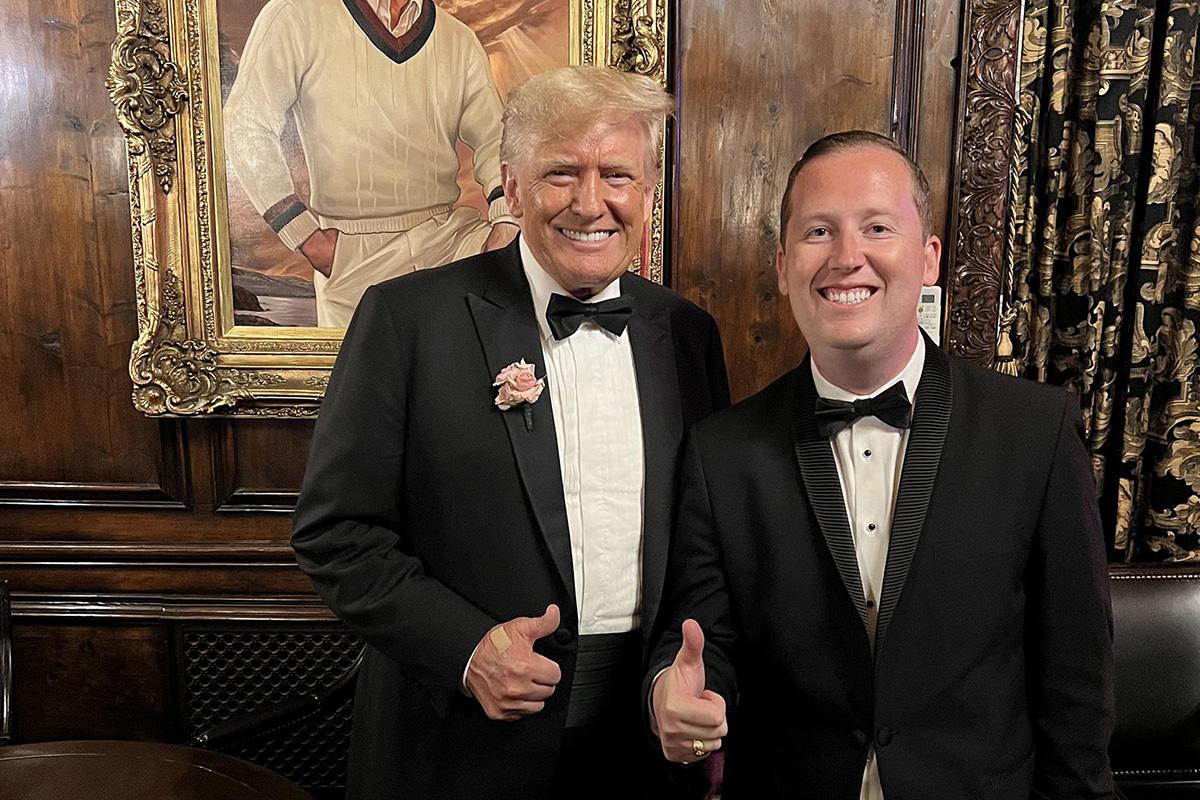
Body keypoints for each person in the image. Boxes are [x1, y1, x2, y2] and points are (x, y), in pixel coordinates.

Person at [292, 65, 730, 799]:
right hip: (458, 748)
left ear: (648, 191)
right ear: (512, 187)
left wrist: (680, 676)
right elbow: (336, 533)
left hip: (642, 745)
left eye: (617, 175)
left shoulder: (687, 334)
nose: (591, 203)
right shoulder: (406, 321)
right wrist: (466, 650)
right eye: (562, 173)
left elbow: (705, 540)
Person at [647, 130, 1115, 799]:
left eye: (876, 228)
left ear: (928, 258)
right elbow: (700, 642)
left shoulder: (1035, 432)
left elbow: (1076, 679)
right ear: (782, 266)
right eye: (818, 232)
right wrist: (673, 692)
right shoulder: (721, 451)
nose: (847, 257)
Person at [224, 0, 518, 327]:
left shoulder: (457, 38)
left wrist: (506, 220)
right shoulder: (296, 14)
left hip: (449, 242)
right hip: (352, 255)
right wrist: (307, 237)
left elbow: (497, 138)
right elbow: (245, 123)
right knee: (358, 361)